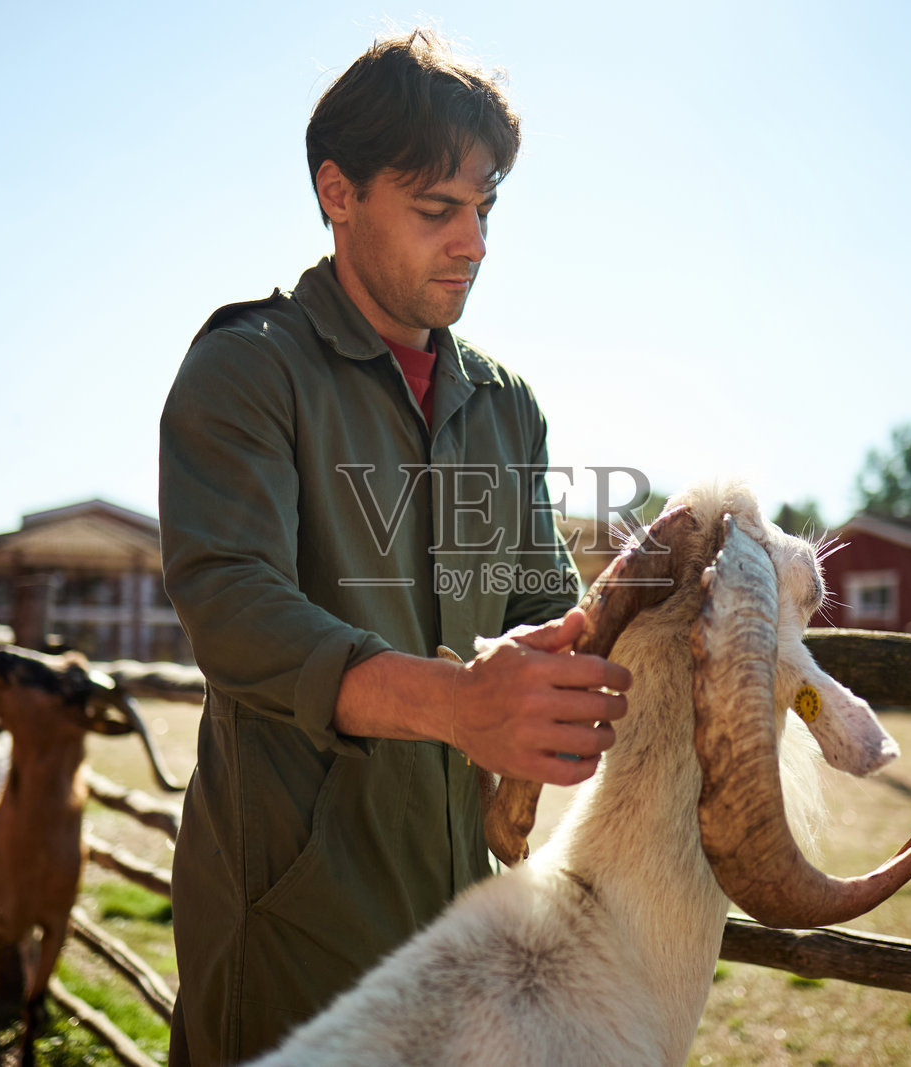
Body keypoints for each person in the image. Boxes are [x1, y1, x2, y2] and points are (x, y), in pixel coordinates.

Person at [158, 28, 632, 1063]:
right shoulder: (248, 369)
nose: (473, 242)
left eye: (484, 208)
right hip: (292, 916)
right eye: (436, 210)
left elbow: (537, 602)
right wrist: (459, 707)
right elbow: (233, 608)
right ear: (338, 192)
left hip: (465, 908)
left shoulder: (506, 405)